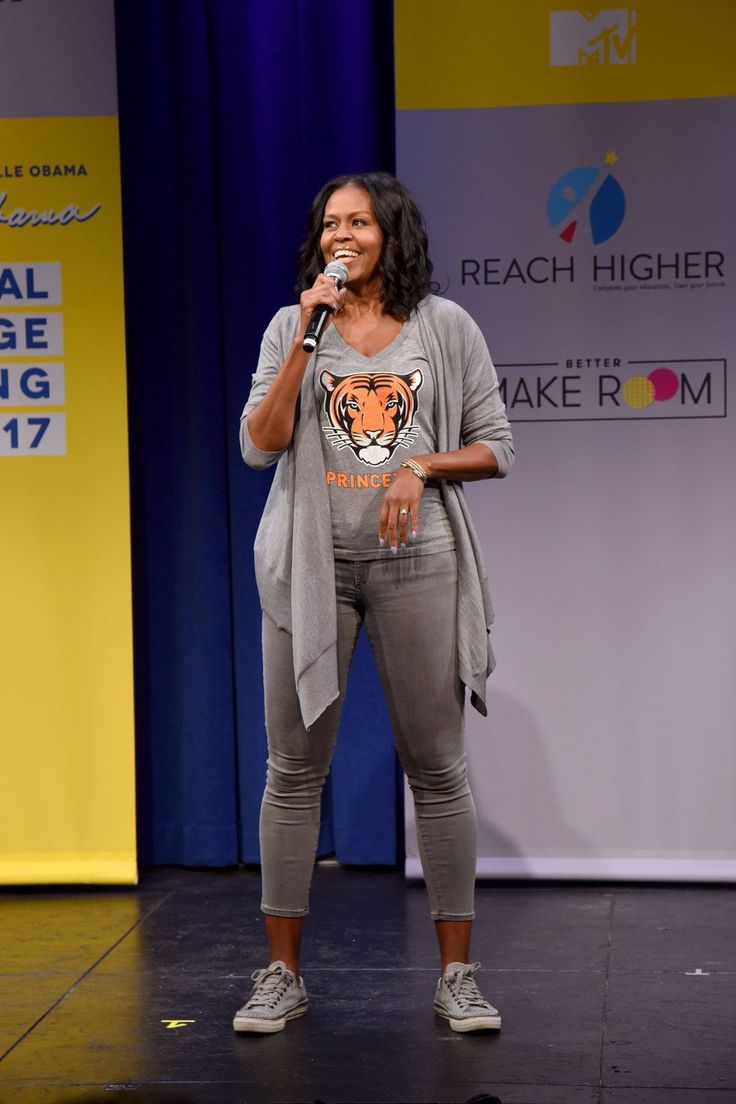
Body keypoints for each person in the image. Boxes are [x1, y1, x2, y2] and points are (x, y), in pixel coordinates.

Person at [235, 172, 514, 1035]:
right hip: (309, 566)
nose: (340, 235)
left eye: (357, 221)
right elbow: (261, 444)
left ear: (390, 232)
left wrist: (417, 464)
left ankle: (457, 977)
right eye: (329, 223)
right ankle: (281, 976)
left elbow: (495, 446)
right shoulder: (296, 324)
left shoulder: (444, 326)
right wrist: (306, 340)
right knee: (292, 772)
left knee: (436, 767)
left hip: (417, 560)